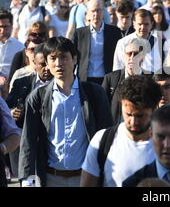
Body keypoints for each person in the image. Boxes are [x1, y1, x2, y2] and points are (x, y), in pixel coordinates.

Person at [19, 37, 113, 187]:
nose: (58, 63)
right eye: (53, 58)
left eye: (63, 57)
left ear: (75, 58)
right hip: (50, 177)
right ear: (47, 63)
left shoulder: (94, 93)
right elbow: (28, 140)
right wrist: (27, 178)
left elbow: (107, 135)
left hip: (85, 177)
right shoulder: (38, 97)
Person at [80, 75, 161, 187]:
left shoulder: (167, 145)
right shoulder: (102, 140)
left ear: (154, 109)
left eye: (140, 116)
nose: (133, 122)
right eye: (128, 114)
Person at [6, 44, 53, 178]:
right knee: (24, 180)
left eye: (48, 64)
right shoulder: (21, 82)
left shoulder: (61, 85)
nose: (46, 68)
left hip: (49, 144)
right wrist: (12, 112)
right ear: (34, 64)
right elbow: (6, 108)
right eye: (42, 64)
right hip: (24, 142)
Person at [72, 0, 121, 85]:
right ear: (87, 14)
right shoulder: (79, 33)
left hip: (107, 79)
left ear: (103, 12)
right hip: (85, 78)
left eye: (99, 10)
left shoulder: (114, 32)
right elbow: (73, 58)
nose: (96, 14)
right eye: (93, 11)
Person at [101, 37, 151, 124]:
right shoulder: (111, 79)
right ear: (124, 56)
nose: (131, 57)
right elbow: (101, 108)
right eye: (129, 54)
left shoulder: (151, 79)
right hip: (116, 130)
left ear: (142, 57)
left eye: (136, 54)